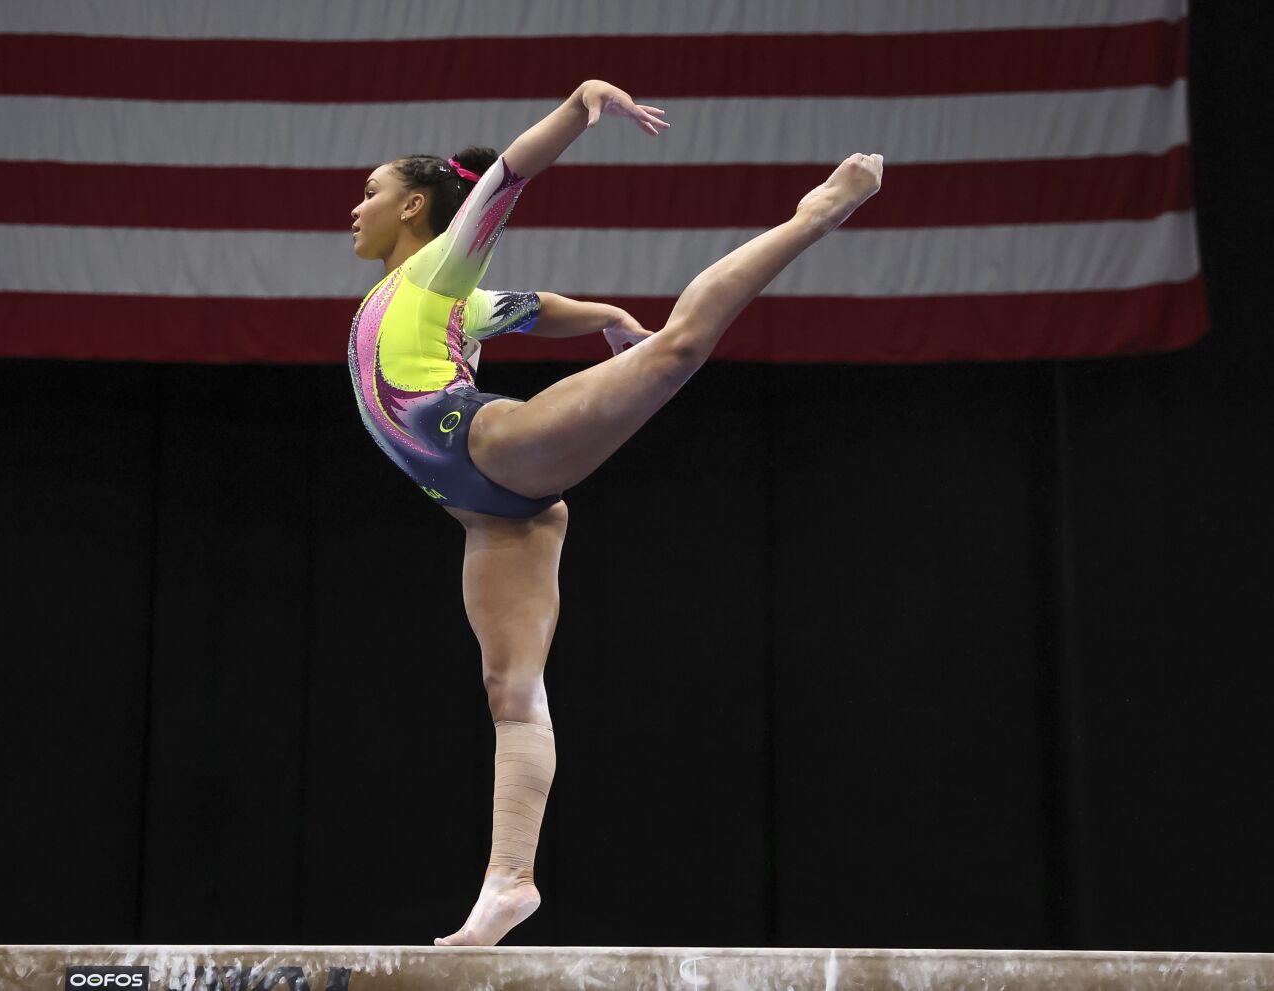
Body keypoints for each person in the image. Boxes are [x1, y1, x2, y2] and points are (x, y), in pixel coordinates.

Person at [346, 79, 882, 946]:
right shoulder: (436, 298)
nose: (355, 208)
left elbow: (511, 176)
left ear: (414, 204)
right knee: (511, 695)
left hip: (485, 446)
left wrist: (580, 105)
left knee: (675, 350)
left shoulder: (442, 264)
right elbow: (531, 309)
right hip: (488, 512)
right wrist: (600, 315)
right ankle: (509, 882)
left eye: (370, 192)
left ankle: (813, 214)